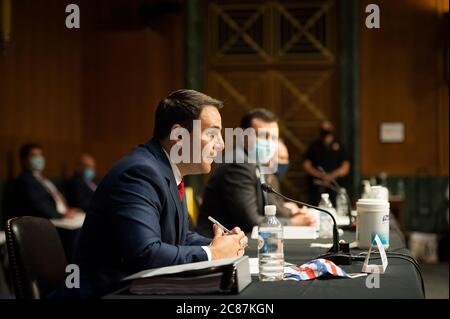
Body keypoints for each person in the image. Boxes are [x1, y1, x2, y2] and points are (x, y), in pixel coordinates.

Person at [73, 90, 248, 298]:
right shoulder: (140, 173)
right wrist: (212, 253)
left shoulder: (166, 170)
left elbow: (179, 237)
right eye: (212, 134)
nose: (221, 144)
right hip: (105, 293)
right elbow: (145, 254)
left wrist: (222, 243)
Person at [197, 109, 316, 237]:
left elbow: (267, 205)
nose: (269, 143)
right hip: (216, 243)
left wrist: (291, 212)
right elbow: (250, 222)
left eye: (273, 138)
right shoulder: (238, 164)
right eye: (263, 136)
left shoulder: (254, 162)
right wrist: (293, 222)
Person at [12, 143, 83, 220]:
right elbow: (39, 206)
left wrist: (69, 210)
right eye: (34, 155)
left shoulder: (43, 179)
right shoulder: (25, 180)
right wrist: (62, 216)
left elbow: (57, 198)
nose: (39, 158)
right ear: (24, 160)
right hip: (50, 220)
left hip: (64, 215)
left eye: (40, 155)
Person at [303, 121, 350, 205]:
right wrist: (321, 176)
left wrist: (331, 176)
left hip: (335, 184)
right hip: (317, 184)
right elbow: (306, 165)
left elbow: (345, 167)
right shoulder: (314, 146)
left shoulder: (339, 145)